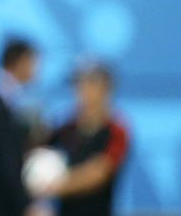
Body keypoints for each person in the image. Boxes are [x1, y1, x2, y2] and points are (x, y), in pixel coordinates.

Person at [47, 61, 129, 216]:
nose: (80, 90)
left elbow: (99, 172)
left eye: (88, 83)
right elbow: (37, 151)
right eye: (77, 84)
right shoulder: (65, 127)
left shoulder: (117, 130)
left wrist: (52, 186)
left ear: (105, 87)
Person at [0, 38, 40, 216]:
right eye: (32, 62)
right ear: (19, 62)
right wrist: (26, 205)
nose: (36, 70)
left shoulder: (5, 106)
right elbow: (5, 163)